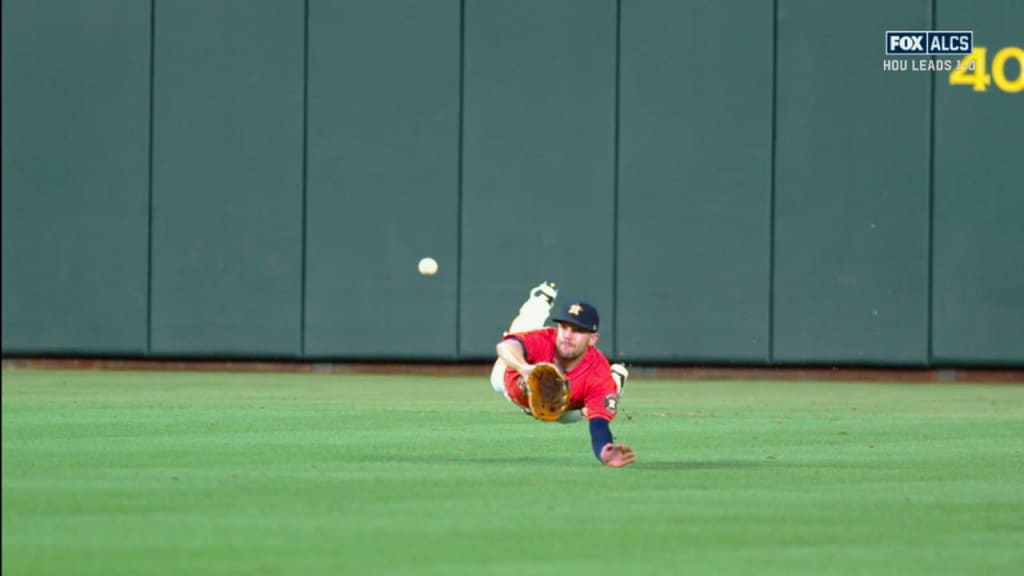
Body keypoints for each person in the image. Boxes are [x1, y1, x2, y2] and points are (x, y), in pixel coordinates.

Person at [490, 282, 636, 468]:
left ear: (593, 338)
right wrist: (524, 368)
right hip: (506, 381)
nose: (567, 335)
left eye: (577, 330)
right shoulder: (545, 339)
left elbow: (599, 425)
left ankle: (617, 378)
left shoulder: (597, 375)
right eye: (564, 327)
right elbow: (505, 347)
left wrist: (604, 450)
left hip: (566, 410)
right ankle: (541, 300)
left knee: (594, 404)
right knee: (518, 334)